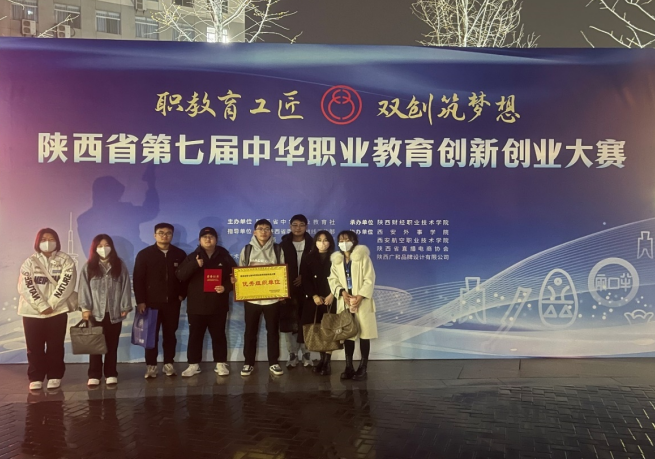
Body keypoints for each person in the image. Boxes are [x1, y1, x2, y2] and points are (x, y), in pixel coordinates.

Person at [17, 228, 77, 391]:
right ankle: (36, 376)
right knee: (34, 347)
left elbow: (67, 283)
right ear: (38, 242)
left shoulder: (66, 260)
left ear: (57, 241)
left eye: (51, 239)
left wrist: (51, 304)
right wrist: (42, 306)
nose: (48, 242)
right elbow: (26, 286)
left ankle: (55, 375)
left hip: (57, 311)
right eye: (44, 239)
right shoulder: (30, 262)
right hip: (32, 312)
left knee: (55, 345)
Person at [176, 227, 236, 377]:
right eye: (205, 237)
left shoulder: (225, 257)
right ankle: (193, 365)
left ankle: (220, 363)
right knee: (195, 336)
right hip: (196, 306)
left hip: (218, 305)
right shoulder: (192, 257)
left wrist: (226, 287)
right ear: (199, 240)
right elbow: (180, 275)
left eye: (211, 237)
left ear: (216, 239)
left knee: (219, 335)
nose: (208, 239)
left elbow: (235, 277)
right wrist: (195, 265)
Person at [133, 223, 187, 379]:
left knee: (170, 335)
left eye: (168, 233)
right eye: (161, 232)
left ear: (172, 236)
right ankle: (151, 366)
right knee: (150, 336)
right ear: (155, 235)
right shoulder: (145, 254)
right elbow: (138, 279)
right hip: (150, 304)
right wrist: (141, 301)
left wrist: (182, 295)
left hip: (172, 303)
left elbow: (186, 277)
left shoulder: (179, 254)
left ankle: (169, 364)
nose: (165, 235)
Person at [79, 234, 133, 386]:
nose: (103, 248)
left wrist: (125, 306)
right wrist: (85, 308)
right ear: (95, 248)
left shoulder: (119, 265)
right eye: (100, 246)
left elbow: (125, 286)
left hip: (114, 313)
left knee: (112, 345)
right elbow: (84, 288)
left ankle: (111, 373)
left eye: (107, 245)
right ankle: (94, 374)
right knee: (95, 346)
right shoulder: (89, 266)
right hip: (95, 314)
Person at [328, 230, 378, 381]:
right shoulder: (337, 260)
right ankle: (348, 366)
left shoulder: (363, 257)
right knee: (348, 334)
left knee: (364, 334)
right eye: (341, 240)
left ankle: (363, 367)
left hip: (362, 302)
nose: (344, 243)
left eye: (347, 239)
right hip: (345, 302)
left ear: (354, 241)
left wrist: (360, 296)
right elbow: (332, 279)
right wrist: (342, 292)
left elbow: (370, 278)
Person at [238, 219, 285, 377]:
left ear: (271, 232)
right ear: (254, 232)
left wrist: (281, 291)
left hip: (272, 300)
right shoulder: (247, 249)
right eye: (260, 228)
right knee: (250, 332)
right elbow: (240, 272)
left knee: (273, 332)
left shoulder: (277, 249)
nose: (263, 231)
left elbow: (282, 273)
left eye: (266, 229)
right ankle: (248, 363)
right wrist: (237, 283)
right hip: (252, 300)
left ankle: (273, 362)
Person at [279, 214, 313, 368]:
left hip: (308, 290)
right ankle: (292, 354)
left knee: (307, 322)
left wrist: (304, 277)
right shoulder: (283, 244)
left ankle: (307, 354)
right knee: (289, 322)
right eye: (295, 225)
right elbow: (277, 267)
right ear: (290, 226)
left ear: (306, 226)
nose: (298, 228)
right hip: (289, 289)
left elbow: (318, 266)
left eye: (301, 225)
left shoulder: (313, 243)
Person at [300, 230, 336, 376]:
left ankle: (327, 362)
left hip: (331, 299)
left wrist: (332, 294)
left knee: (329, 330)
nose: (323, 243)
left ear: (330, 242)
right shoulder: (308, 258)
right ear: (315, 242)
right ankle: (321, 360)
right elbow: (305, 279)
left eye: (326, 240)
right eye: (319, 240)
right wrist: (314, 295)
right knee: (318, 330)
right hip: (314, 300)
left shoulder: (336, 258)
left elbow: (341, 279)